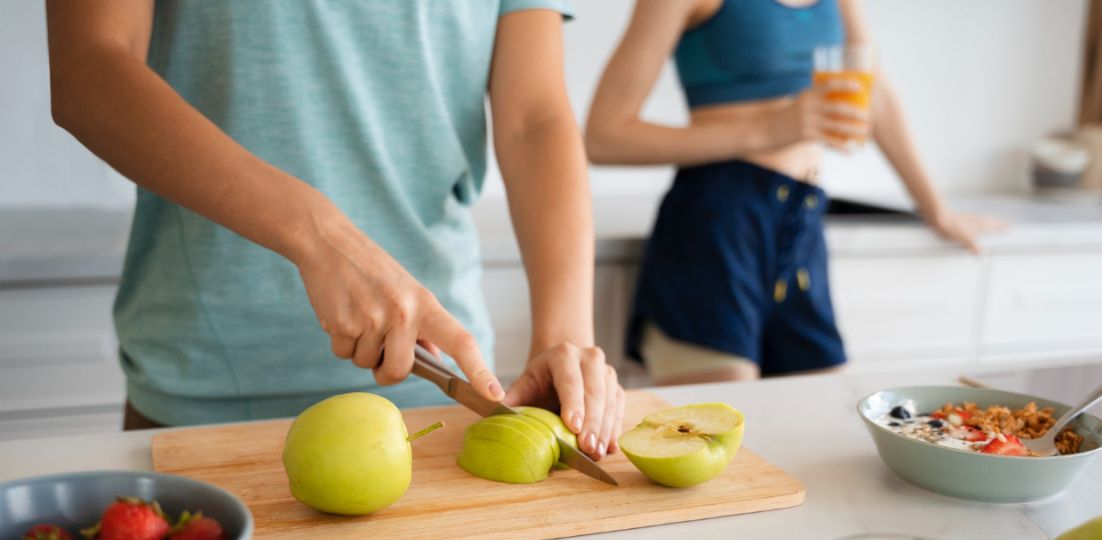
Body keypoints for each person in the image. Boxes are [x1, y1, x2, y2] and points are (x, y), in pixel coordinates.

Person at [45, 0, 624, 460]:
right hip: (201, 399)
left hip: (440, 399)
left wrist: (564, 337)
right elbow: (90, 67)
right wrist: (316, 234)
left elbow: (535, 120)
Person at [585, 0, 1005, 385]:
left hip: (801, 224)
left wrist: (936, 209)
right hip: (715, 226)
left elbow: (873, 89)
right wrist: (769, 129)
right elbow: (604, 136)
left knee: (819, 419)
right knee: (722, 434)